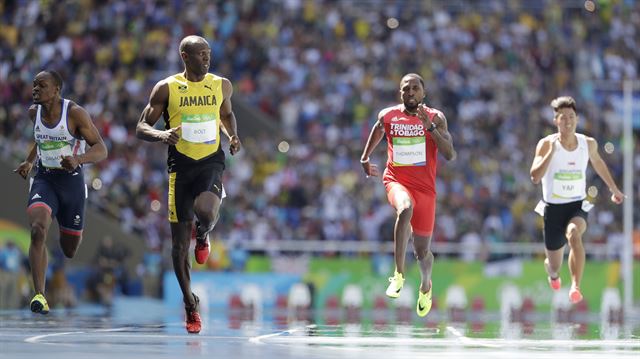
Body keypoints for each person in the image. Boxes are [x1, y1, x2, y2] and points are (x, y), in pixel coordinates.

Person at [136, 35, 241, 334]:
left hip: (210, 161)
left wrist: (232, 135)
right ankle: (190, 304)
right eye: (200, 54)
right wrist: (162, 135)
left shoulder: (221, 84)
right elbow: (141, 126)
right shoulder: (167, 88)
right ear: (185, 56)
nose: (207, 59)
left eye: (208, 53)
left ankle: (204, 234)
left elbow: (227, 114)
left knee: (206, 210)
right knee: (179, 247)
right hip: (180, 168)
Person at [360, 73, 456, 317]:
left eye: (415, 88)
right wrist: (365, 156)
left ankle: (426, 284)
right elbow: (378, 128)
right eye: (406, 89)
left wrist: (430, 128)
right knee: (404, 208)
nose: (410, 92)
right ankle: (399, 274)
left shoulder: (436, 117)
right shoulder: (388, 115)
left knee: (422, 252)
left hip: (425, 190)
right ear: (400, 92)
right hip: (396, 180)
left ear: (423, 93)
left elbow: (450, 154)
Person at [13, 70, 108, 314]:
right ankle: (39, 295)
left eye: (41, 85)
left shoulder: (75, 113)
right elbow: (41, 139)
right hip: (45, 179)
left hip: (72, 182)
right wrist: (29, 161)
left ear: (56, 90)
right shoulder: (33, 113)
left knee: (69, 249)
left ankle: (68, 231)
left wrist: (78, 159)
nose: (35, 89)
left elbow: (101, 149)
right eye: (34, 85)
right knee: (37, 230)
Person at [530, 96, 624, 304]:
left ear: (577, 119)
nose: (567, 121)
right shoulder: (546, 145)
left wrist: (614, 189)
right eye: (562, 118)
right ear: (556, 121)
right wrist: (551, 154)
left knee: (574, 235)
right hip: (553, 208)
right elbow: (535, 177)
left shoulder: (587, 144)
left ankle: (575, 286)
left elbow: (599, 164)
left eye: (571, 116)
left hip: (576, 205)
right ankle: (553, 273)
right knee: (554, 265)